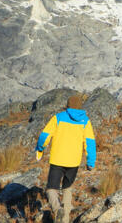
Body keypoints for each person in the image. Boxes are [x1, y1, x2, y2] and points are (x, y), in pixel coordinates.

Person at [35, 95, 96, 223]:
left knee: (52, 189)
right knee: (67, 188)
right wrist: (90, 162)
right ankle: (65, 220)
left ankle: (57, 210)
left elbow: (44, 136)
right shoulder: (85, 121)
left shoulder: (58, 118)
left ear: (67, 105)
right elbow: (90, 143)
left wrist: (40, 148)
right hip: (73, 162)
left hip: (57, 159)